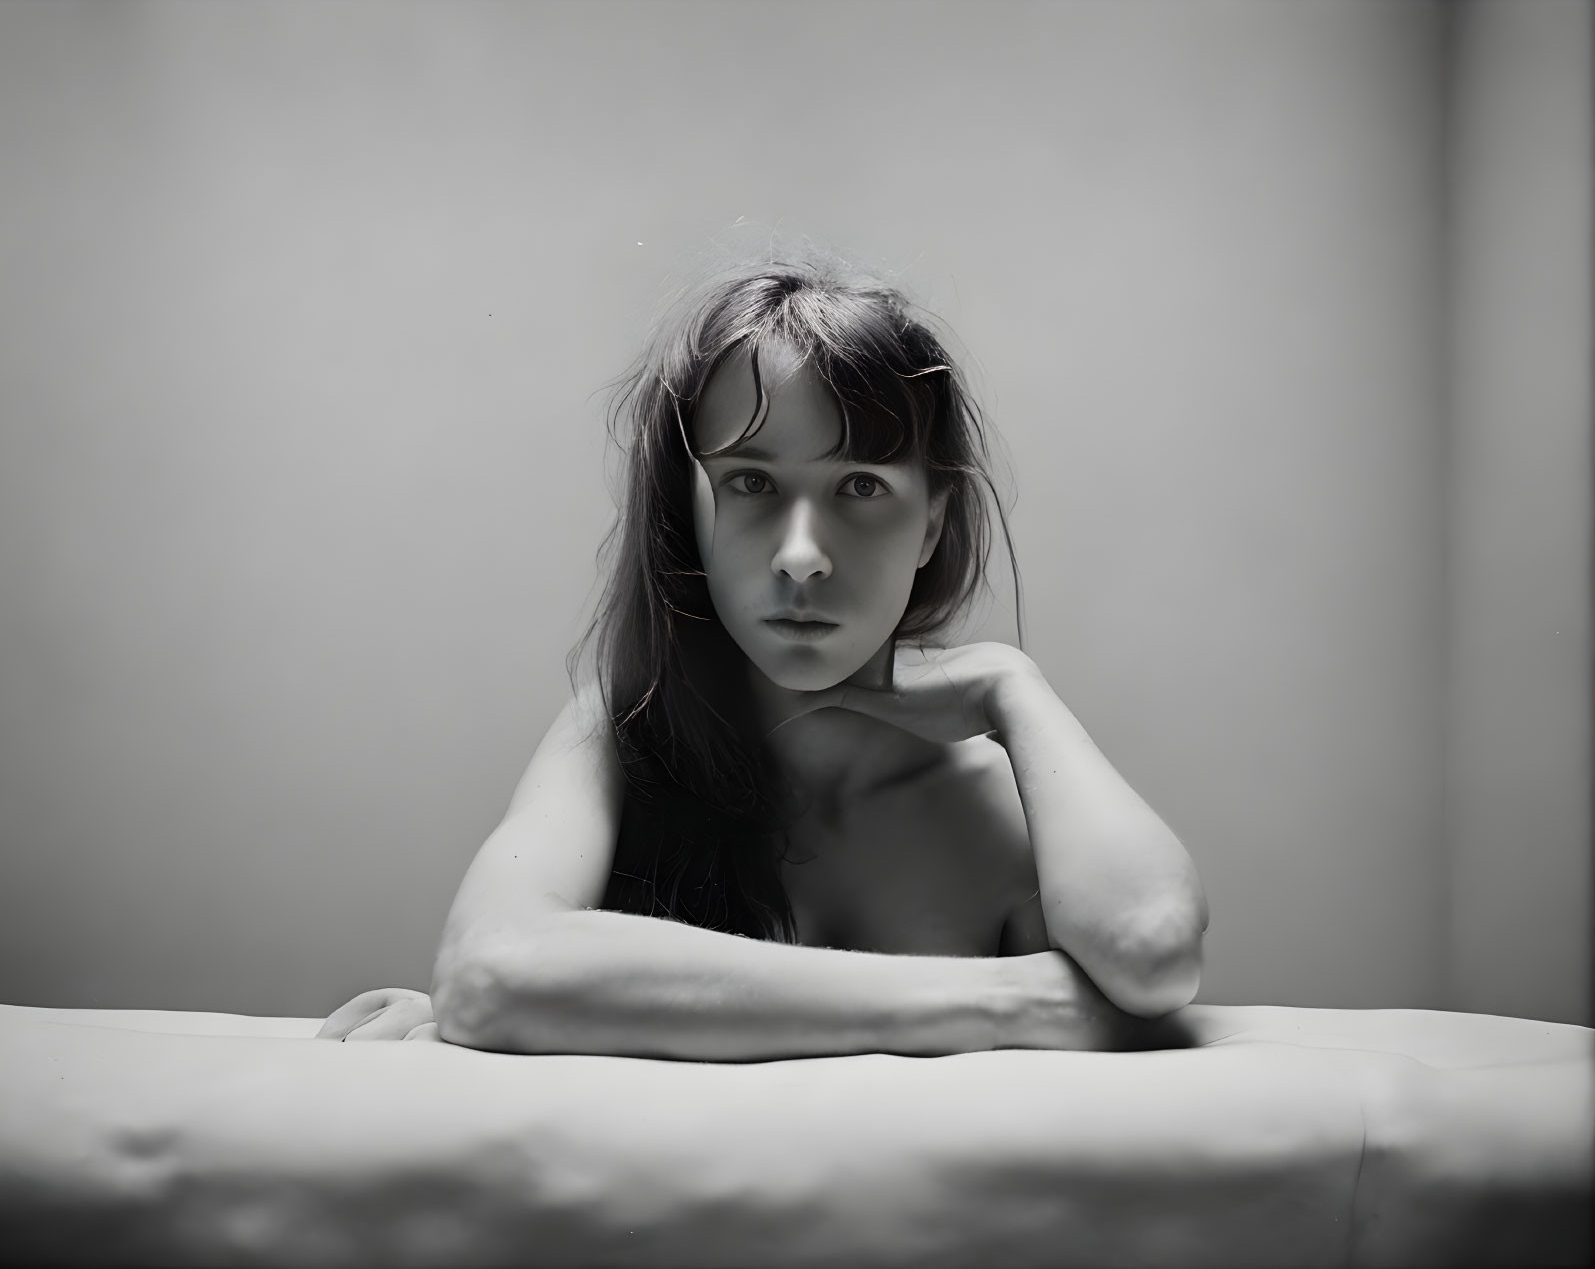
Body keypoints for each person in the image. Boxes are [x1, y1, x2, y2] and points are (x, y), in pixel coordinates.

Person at [318, 255, 1209, 1058]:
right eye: (750, 483)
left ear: (932, 520)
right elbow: (491, 975)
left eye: (860, 486)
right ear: (689, 517)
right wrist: (1024, 1003)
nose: (800, 555)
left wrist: (1017, 686)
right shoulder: (628, 732)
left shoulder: (993, 806)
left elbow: (1151, 953)